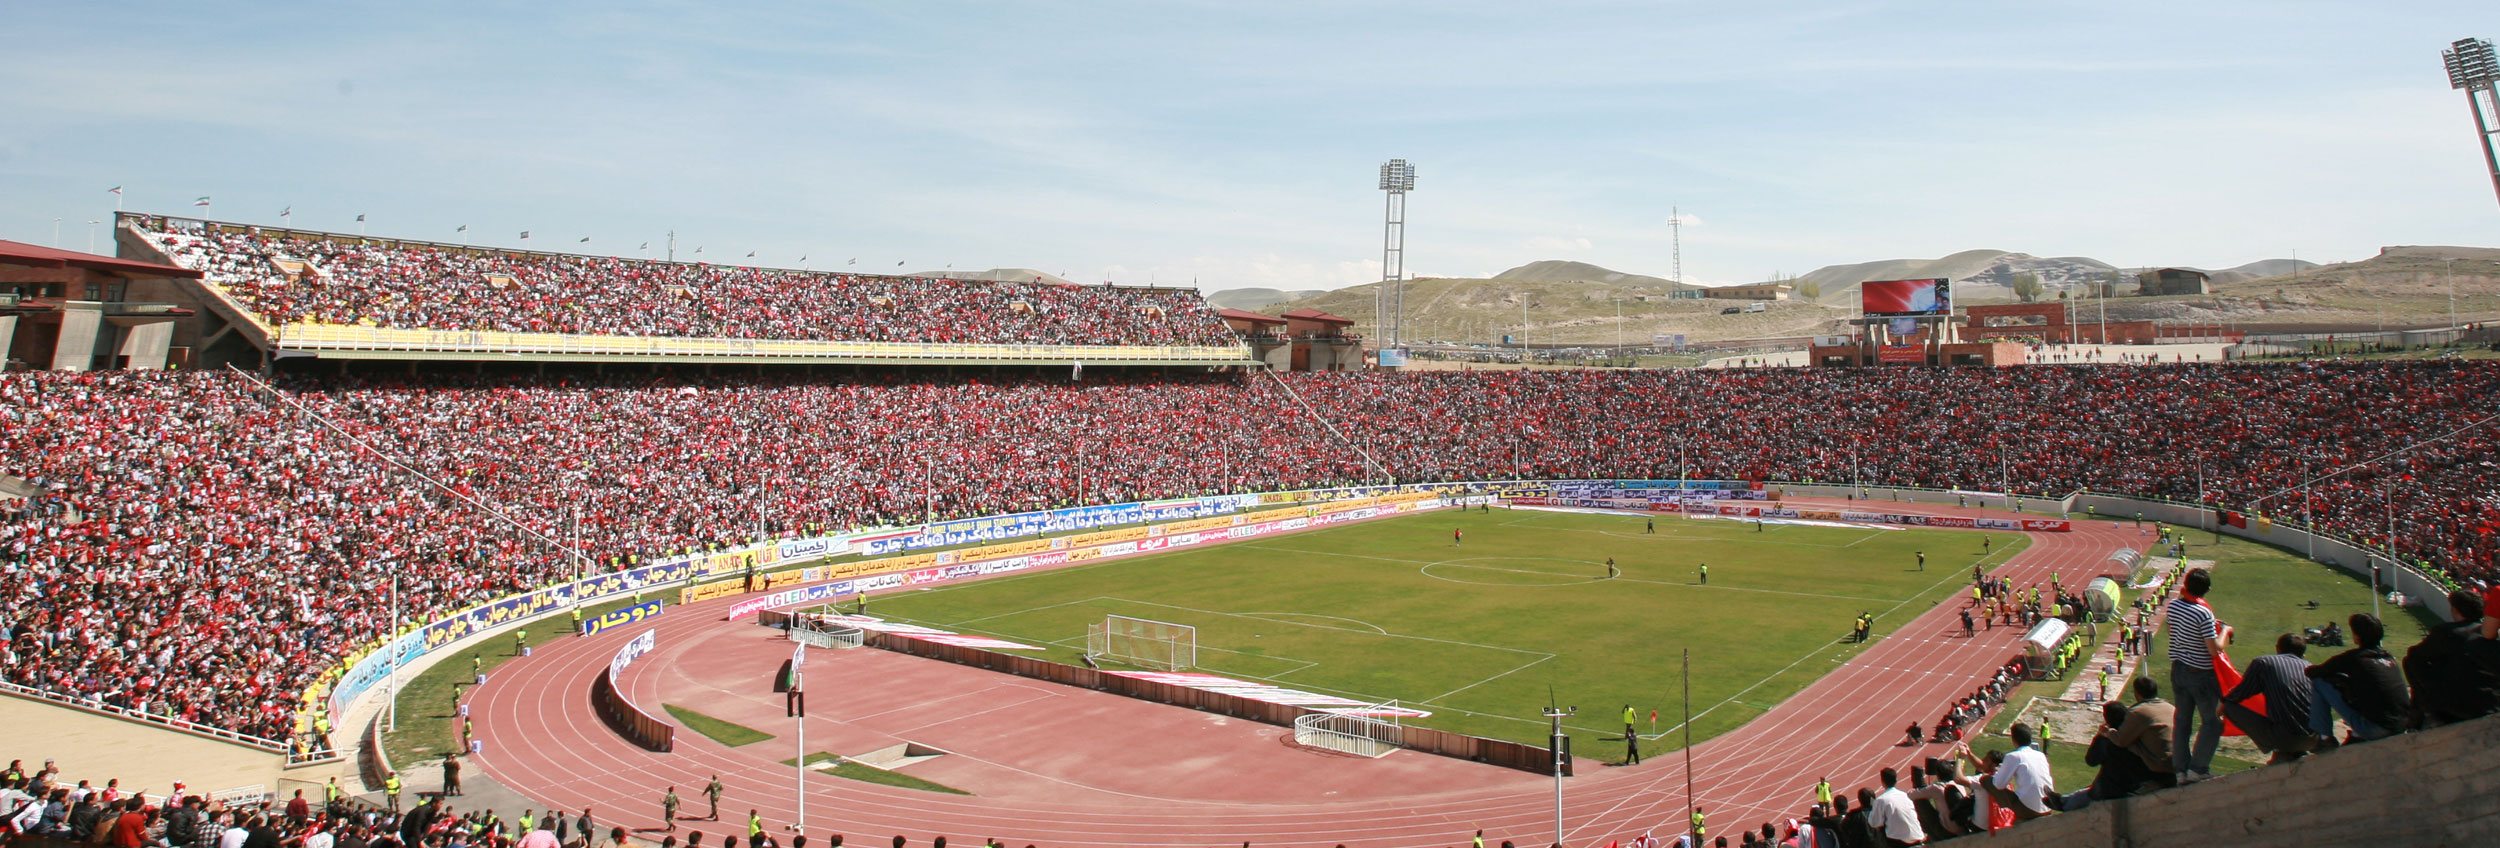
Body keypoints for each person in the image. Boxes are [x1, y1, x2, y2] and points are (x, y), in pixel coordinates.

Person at [2164, 567, 2230, 782]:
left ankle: (2180, 770)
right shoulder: (2203, 613)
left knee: (2182, 721)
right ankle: (2198, 768)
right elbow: (2214, 648)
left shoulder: (2173, 606)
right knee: (2213, 722)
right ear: (2207, 590)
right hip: (2201, 673)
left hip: (2178, 669)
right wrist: (2225, 632)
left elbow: (2172, 631)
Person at [2304, 613, 2410, 743]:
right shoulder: (2389, 658)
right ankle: (2355, 734)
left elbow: (2313, 672)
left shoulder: (2354, 658)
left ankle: (2324, 738)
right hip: (2402, 724)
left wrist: (2336, 678)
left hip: (2376, 729)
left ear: (2357, 636)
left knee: (2320, 682)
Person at [2404, 590, 2500, 728]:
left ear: (2455, 609)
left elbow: (2414, 656)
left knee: (2411, 661)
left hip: (2460, 706)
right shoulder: (2490, 635)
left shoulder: (2447, 633)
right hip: (2491, 703)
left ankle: (2422, 713)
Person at [2221, 633, 2319, 763]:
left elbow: (2239, 694)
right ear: (2303, 654)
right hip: (2314, 740)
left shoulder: (2264, 663)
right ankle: (2291, 751)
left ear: (2277, 648)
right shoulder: (2311, 668)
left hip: (2285, 739)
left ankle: (2281, 751)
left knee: (2228, 706)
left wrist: (2221, 704)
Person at [1987, 723, 2057, 822]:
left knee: (1986, 780)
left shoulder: (2013, 756)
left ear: (2013, 739)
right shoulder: (2041, 755)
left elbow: (1999, 785)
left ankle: (2000, 812)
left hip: (2029, 808)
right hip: (2048, 806)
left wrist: (1997, 773)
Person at [1863, 767, 1925, 846]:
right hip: (1918, 837)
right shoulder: (1906, 796)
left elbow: (1873, 823)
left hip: (1898, 842)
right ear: (1896, 780)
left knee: (1881, 828)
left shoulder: (1881, 800)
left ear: (1882, 782)